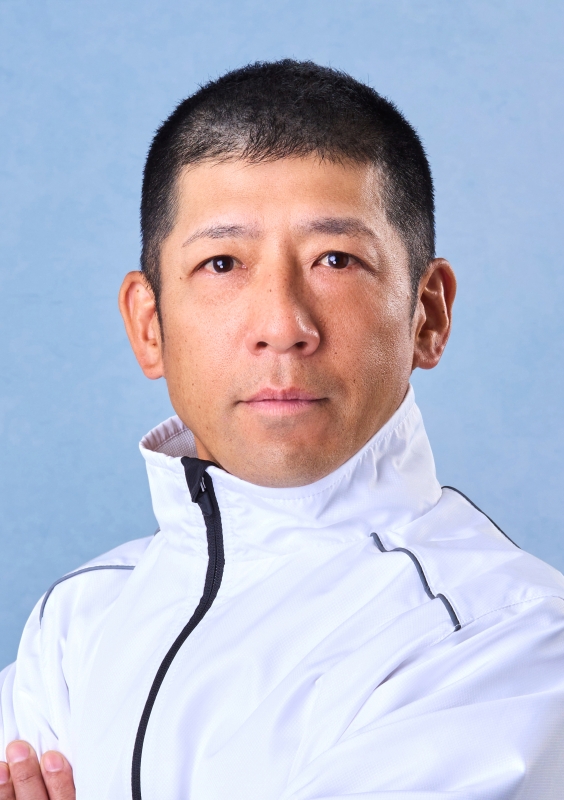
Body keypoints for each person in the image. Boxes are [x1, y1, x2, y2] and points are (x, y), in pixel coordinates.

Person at [1, 60, 564, 800]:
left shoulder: (507, 639)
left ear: (427, 315)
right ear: (149, 325)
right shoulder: (76, 624)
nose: (282, 325)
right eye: (222, 262)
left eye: (336, 259)